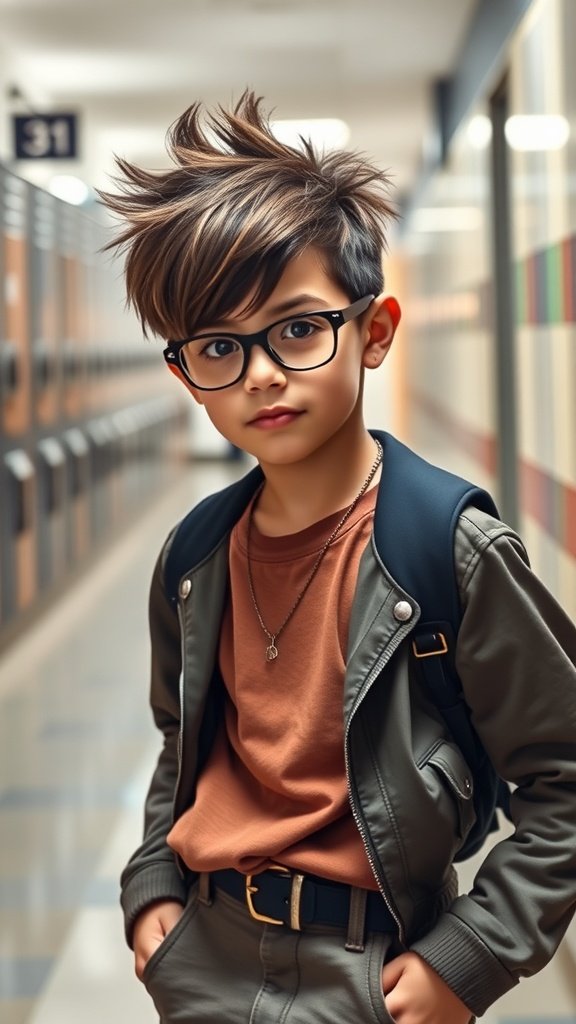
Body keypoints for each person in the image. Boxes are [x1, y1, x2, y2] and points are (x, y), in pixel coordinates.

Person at [101, 93, 576, 1024]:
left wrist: (469, 958)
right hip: (203, 956)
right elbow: (182, 745)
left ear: (376, 330)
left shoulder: (450, 550)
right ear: (184, 373)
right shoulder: (195, 554)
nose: (262, 375)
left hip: (375, 970)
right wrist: (154, 879)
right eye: (219, 347)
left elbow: (566, 780)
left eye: (297, 328)